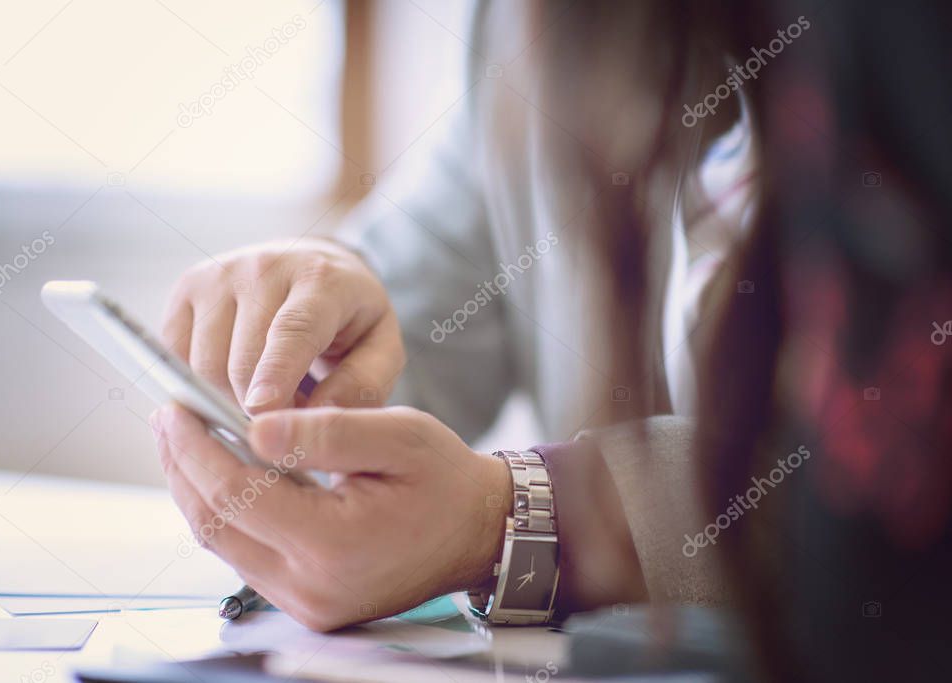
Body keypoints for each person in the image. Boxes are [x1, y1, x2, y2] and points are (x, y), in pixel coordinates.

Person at [150, 1, 951, 679]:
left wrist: (517, 520)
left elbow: (881, 475)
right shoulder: (531, 23)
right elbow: (415, 288)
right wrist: (302, 322)